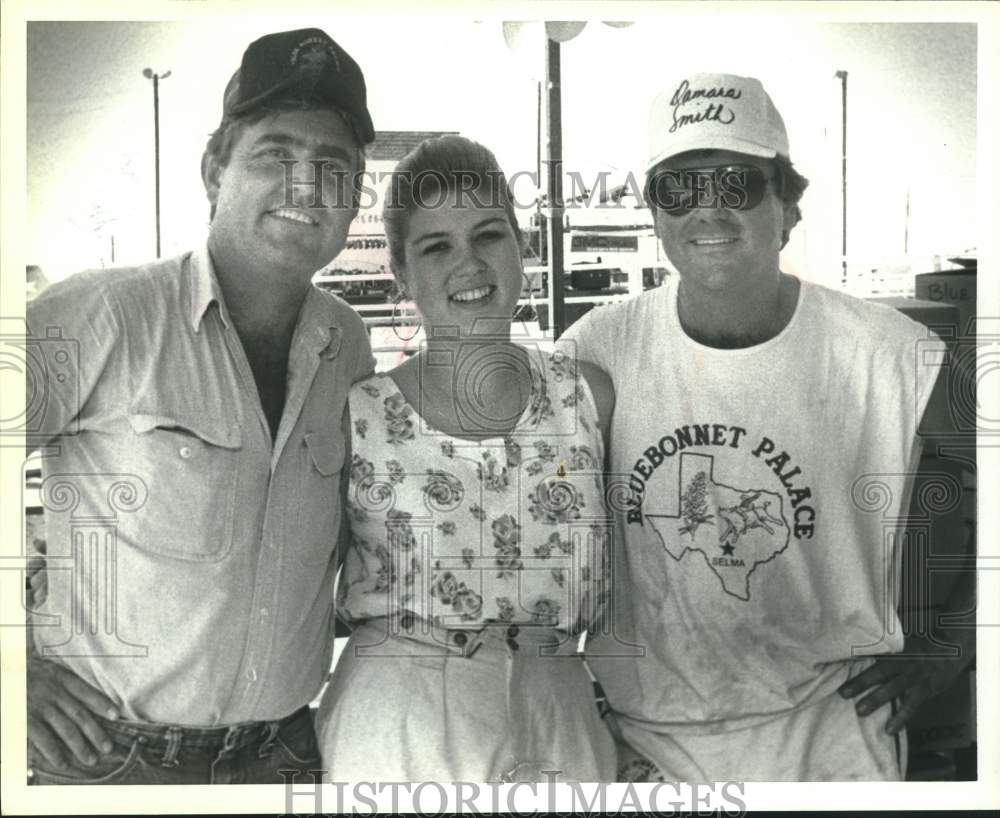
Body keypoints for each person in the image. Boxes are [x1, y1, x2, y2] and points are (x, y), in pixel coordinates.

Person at [560, 73, 975, 781]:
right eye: (678, 189)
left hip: (831, 734)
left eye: (737, 183)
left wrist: (953, 645)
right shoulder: (598, 348)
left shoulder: (891, 353)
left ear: (788, 207)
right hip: (649, 742)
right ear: (655, 215)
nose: (708, 209)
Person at [24, 28, 376, 784]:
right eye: (275, 155)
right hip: (106, 759)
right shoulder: (100, 315)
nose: (306, 187)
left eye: (333, 167)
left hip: (284, 755)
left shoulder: (346, 344)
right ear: (215, 169)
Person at [314, 135, 618, 782]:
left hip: (558, 713)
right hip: (399, 729)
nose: (469, 263)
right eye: (437, 247)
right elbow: (299, 591)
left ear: (521, 246)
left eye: (488, 235)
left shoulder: (588, 399)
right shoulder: (359, 415)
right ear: (402, 274)